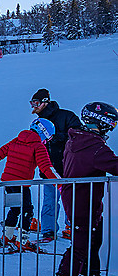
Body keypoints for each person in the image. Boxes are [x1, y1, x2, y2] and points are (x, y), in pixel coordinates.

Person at [54, 102, 118, 276]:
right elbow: (114, 165)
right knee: (81, 244)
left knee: (94, 238)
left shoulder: (77, 139)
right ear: (103, 123)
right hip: (82, 201)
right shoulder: (94, 147)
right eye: (112, 124)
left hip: (85, 199)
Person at [0, 118, 60, 249]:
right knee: (27, 210)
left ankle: (8, 236)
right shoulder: (38, 146)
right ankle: (23, 240)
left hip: (7, 183)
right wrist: (58, 182)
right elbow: (46, 167)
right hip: (21, 183)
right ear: (44, 133)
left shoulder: (16, 140)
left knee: (15, 209)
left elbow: (0, 153)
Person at [30, 88, 83, 240]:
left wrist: (56, 137)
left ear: (45, 103)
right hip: (48, 170)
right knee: (49, 201)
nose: (33, 106)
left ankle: (72, 227)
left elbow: (79, 136)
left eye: (36, 103)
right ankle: (48, 230)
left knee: (71, 200)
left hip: (68, 168)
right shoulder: (37, 123)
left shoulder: (66, 116)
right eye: (32, 103)